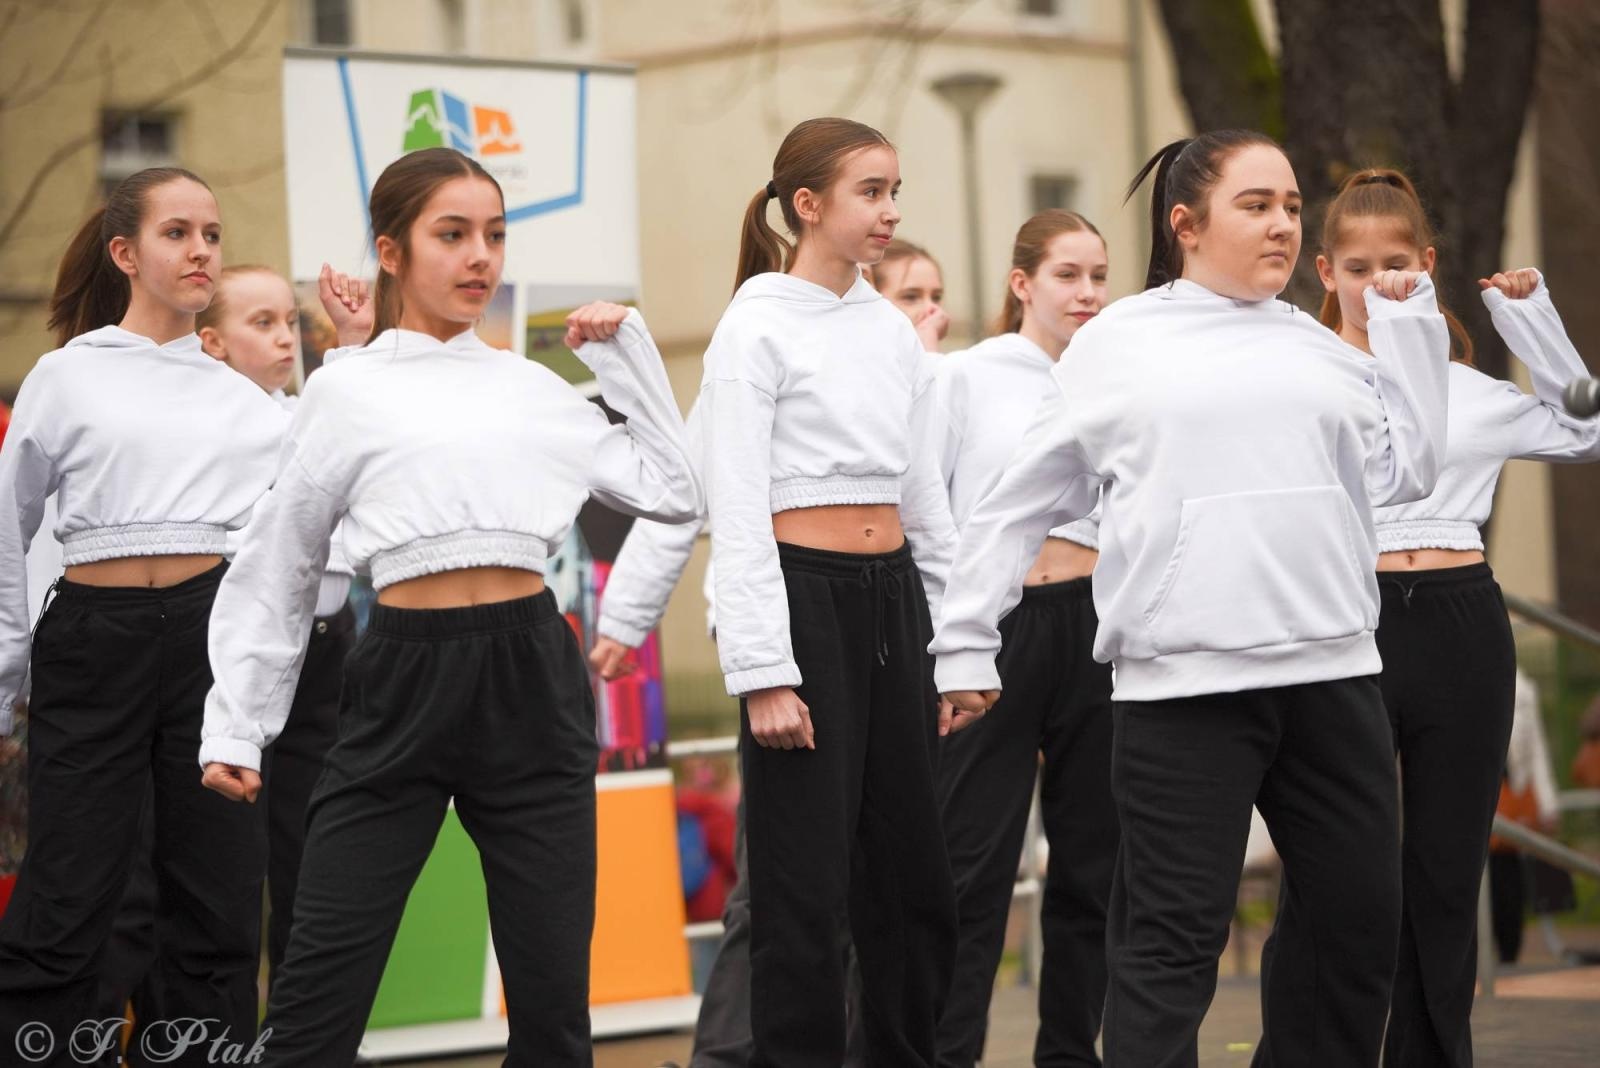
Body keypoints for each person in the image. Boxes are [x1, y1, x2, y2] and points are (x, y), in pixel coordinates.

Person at [931, 129, 1450, 1066]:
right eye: (1256, 205)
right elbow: (1015, 504)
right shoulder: (1116, 344)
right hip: (1182, 691)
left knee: (1358, 929)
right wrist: (966, 640)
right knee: (1170, 948)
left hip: (1333, 678)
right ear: (1187, 223)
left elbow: (1408, 472)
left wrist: (1410, 330)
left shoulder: (1321, 348)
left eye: (1291, 207)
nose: (1283, 224)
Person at [198, 146, 701, 1065]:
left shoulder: (531, 388)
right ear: (391, 252)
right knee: (314, 1004)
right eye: (453, 234)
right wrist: (238, 725)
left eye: (495, 235)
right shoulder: (344, 390)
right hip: (399, 679)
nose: (480, 257)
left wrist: (626, 357)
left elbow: (676, 491)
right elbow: (281, 565)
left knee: (552, 1012)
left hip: (530, 679)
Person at [1314, 167, 1600, 1066]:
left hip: (1461, 624)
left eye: (1396, 265)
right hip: (1347, 619)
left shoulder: (1468, 390)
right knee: (1339, 866)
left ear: (1429, 266)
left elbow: (1587, 426)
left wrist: (1529, 319)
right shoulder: (1305, 376)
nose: (1379, 285)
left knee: (1445, 870)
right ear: (1325, 273)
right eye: (1358, 268)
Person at [0, 167, 285, 1065]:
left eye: (212, 234)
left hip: (208, 644)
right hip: (93, 639)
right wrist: (5, 679)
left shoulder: (242, 400)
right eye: (177, 233)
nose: (201, 250)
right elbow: (9, 528)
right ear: (124, 253)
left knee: (215, 896)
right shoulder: (65, 377)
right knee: (69, 888)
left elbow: (299, 539)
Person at [699, 116, 959, 1068]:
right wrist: (764, 671)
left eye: (895, 192)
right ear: (807, 205)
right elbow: (735, 504)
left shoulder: (889, 330)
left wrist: (959, 644)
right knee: (802, 890)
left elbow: (924, 497)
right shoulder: (754, 325)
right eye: (870, 192)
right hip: (804, 605)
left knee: (914, 881)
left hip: (896, 602)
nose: (889, 211)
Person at [932, 208, 1116, 1068]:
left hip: (1095, 629)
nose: (1087, 293)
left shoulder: (1116, 379)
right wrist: (951, 635)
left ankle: (1070, 1054)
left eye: (1098, 276)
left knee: (1093, 865)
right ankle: (947, 1053)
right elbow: (928, 508)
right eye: (1067, 275)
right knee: (969, 866)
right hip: (997, 630)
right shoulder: (966, 378)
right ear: (1022, 284)